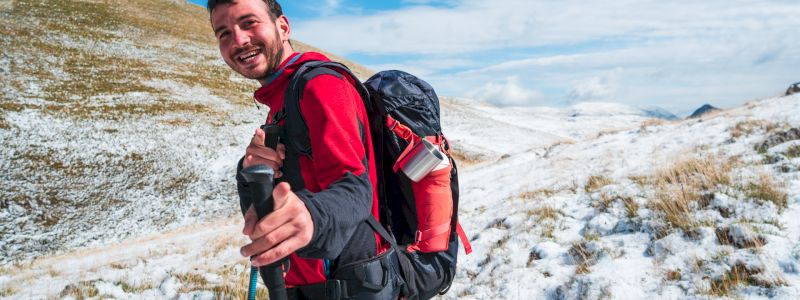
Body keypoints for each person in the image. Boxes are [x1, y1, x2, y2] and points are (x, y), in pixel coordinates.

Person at [208, 0, 391, 297]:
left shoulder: (320, 86)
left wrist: (310, 216)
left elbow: (357, 188)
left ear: (283, 27)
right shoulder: (282, 98)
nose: (239, 40)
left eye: (249, 23)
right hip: (306, 287)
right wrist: (248, 173)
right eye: (224, 33)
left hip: (350, 287)